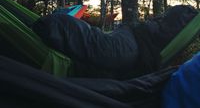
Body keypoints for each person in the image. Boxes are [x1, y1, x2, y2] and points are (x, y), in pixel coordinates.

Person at [32, 5, 197, 79]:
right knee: (100, 45)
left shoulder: (189, 17)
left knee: (100, 47)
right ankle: (59, 19)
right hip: (135, 40)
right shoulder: (188, 17)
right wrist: (53, 22)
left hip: (136, 40)